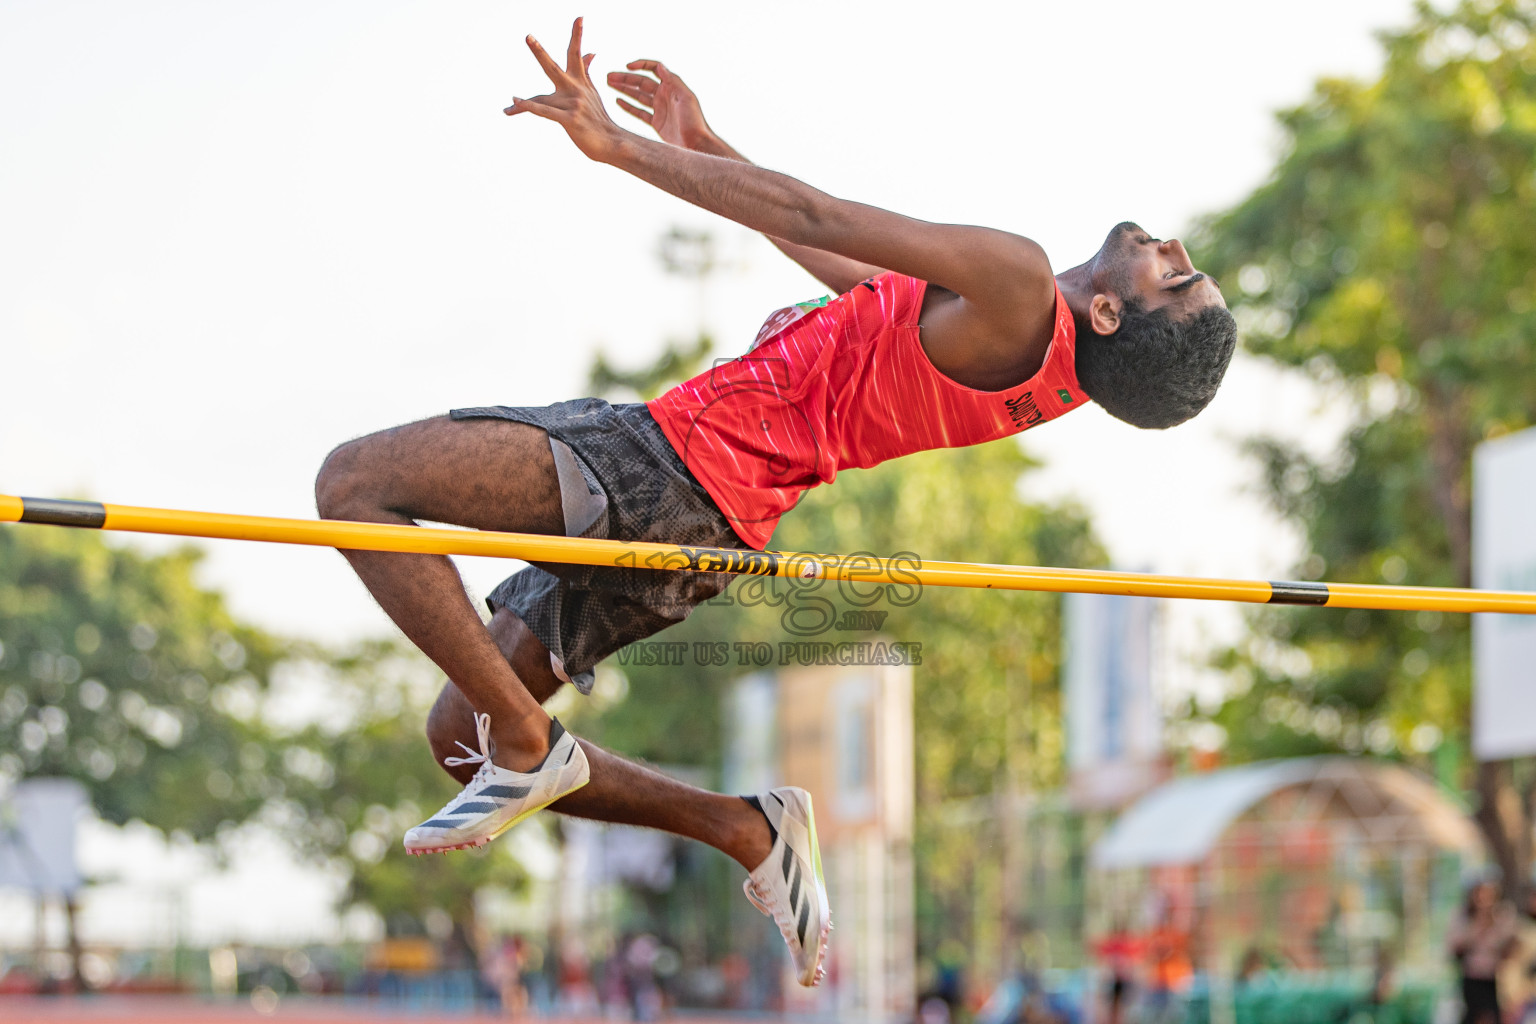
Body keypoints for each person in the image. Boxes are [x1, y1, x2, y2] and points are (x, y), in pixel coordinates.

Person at [312, 18, 1237, 989]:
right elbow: (852, 280)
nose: (1167, 245)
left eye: (1172, 275)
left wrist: (621, 148)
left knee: (354, 484)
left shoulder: (1016, 282)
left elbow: (823, 213)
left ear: (1108, 314)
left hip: (667, 469)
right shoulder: (1025, 364)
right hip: (706, 523)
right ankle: (740, 824)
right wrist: (710, 152)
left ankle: (527, 742)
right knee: (458, 734)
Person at [1449, 879, 1519, 1024]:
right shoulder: (1464, 916)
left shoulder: (1503, 915)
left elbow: (1510, 945)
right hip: (1473, 976)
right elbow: (1456, 946)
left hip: (1498, 978)